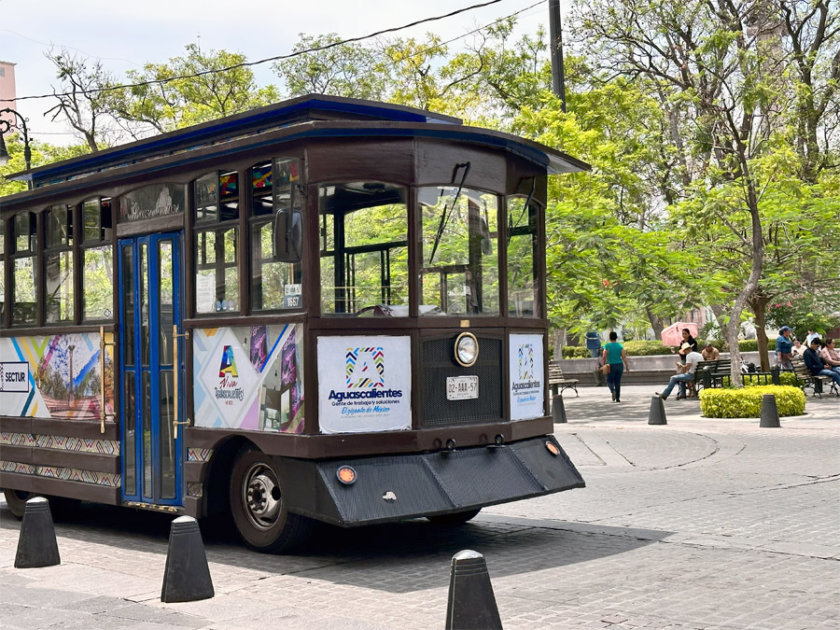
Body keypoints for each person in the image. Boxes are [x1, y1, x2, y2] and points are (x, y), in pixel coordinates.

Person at [602, 331, 630, 403]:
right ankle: (617, 398)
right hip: (619, 365)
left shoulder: (607, 346)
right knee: (617, 382)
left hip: (610, 365)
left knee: (609, 380)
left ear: (609, 338)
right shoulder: (620, 346)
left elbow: (604, 356)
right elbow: (624, 357)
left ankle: (612, 390)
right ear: (616, 338)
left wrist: (603, 364)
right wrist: (627, 366)